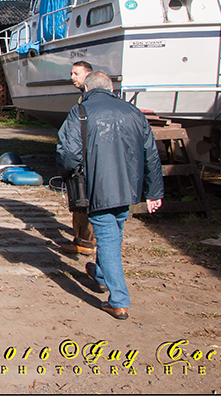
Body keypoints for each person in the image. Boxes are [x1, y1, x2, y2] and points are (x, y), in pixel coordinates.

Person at [56, 71, 163, 320]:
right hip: (128, 188)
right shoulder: (133, 112)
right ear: (111, 88)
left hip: (99, 187)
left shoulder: (80, 112)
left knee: (108, 240)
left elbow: (68, 153)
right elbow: (151, 154)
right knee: (114, 232)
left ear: (87, 88)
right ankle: (102, 276)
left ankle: (119, 301)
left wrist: (67, 173)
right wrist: (154, 191)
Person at [57, 60, 96, 255]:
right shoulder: (85, 98)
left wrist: (67, 165)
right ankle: (84, 239)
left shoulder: (87, 102)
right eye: (72, 73)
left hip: (86, 161)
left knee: (83, 201)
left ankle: (85, 242)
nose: (72, 77)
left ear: (88, 75)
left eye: (76, 74)